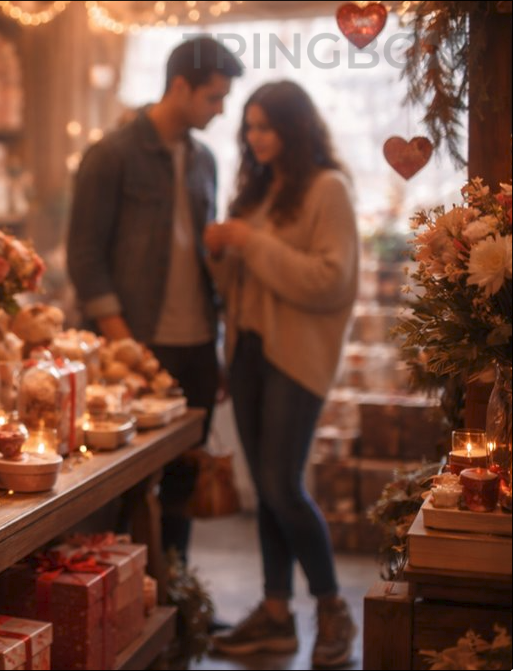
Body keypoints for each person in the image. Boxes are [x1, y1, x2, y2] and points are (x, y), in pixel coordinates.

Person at [66, 36, 243, 563]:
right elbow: (85, 257)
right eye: (213, 98)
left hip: (195, 347)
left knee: (184, 486)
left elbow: (199, 258)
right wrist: (126, 347)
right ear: (180, 86)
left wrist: (217, 351)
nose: (220, 110)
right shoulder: (111, 154)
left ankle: (176, 602)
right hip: (134, 349)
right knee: (122, 488)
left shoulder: (205, 160)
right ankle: (122, 607)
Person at [204, 80, 359, 669]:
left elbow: (329, 282)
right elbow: (235, 289)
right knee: (266, 492)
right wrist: (222, 252)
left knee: (281, 486)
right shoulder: (257, 191)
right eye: (249, 126)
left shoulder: (328, 190)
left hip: (296, 359)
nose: (254, 137)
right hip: (247, 356)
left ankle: (332, 609)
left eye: (266, 126)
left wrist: (250, 242)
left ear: (294, 129)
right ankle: (275, 616)